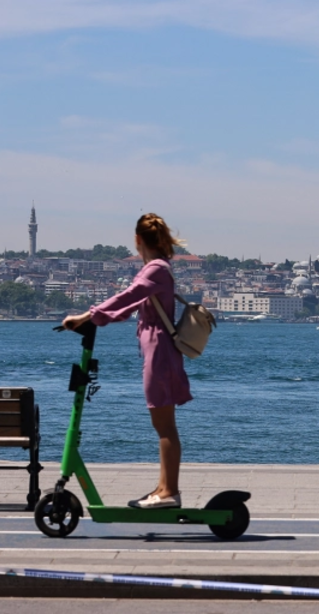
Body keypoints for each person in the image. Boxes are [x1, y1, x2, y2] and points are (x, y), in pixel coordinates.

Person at [61, 213, 191, 510]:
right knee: (162, 424)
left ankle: (169, 492)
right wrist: (98, 318)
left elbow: (127, 296)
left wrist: (86, 315)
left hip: (160, 354)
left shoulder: (155, 269)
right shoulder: (156, 268)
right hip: (156, 353)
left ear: (137, 240)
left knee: (165, 425)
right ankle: (163, 488)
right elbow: (126, 306)